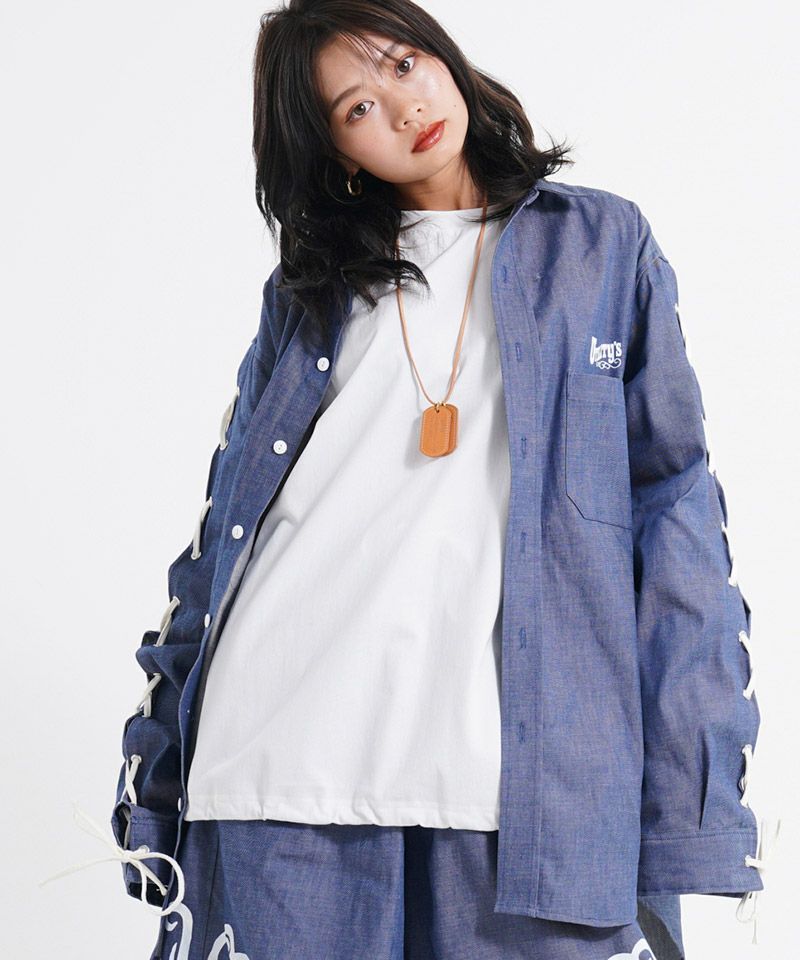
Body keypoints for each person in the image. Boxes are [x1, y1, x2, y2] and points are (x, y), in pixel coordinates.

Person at [40, 1, 780, 958]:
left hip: (535, 796)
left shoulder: (600, 245)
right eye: (356, 107)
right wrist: (158, 779)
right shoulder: (309, 294)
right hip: (279, 769)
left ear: (443, 55)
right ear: (338, 153)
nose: (401, 106)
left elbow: (674, 517)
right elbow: (224, 535)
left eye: (402, 63)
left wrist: (692, 808)